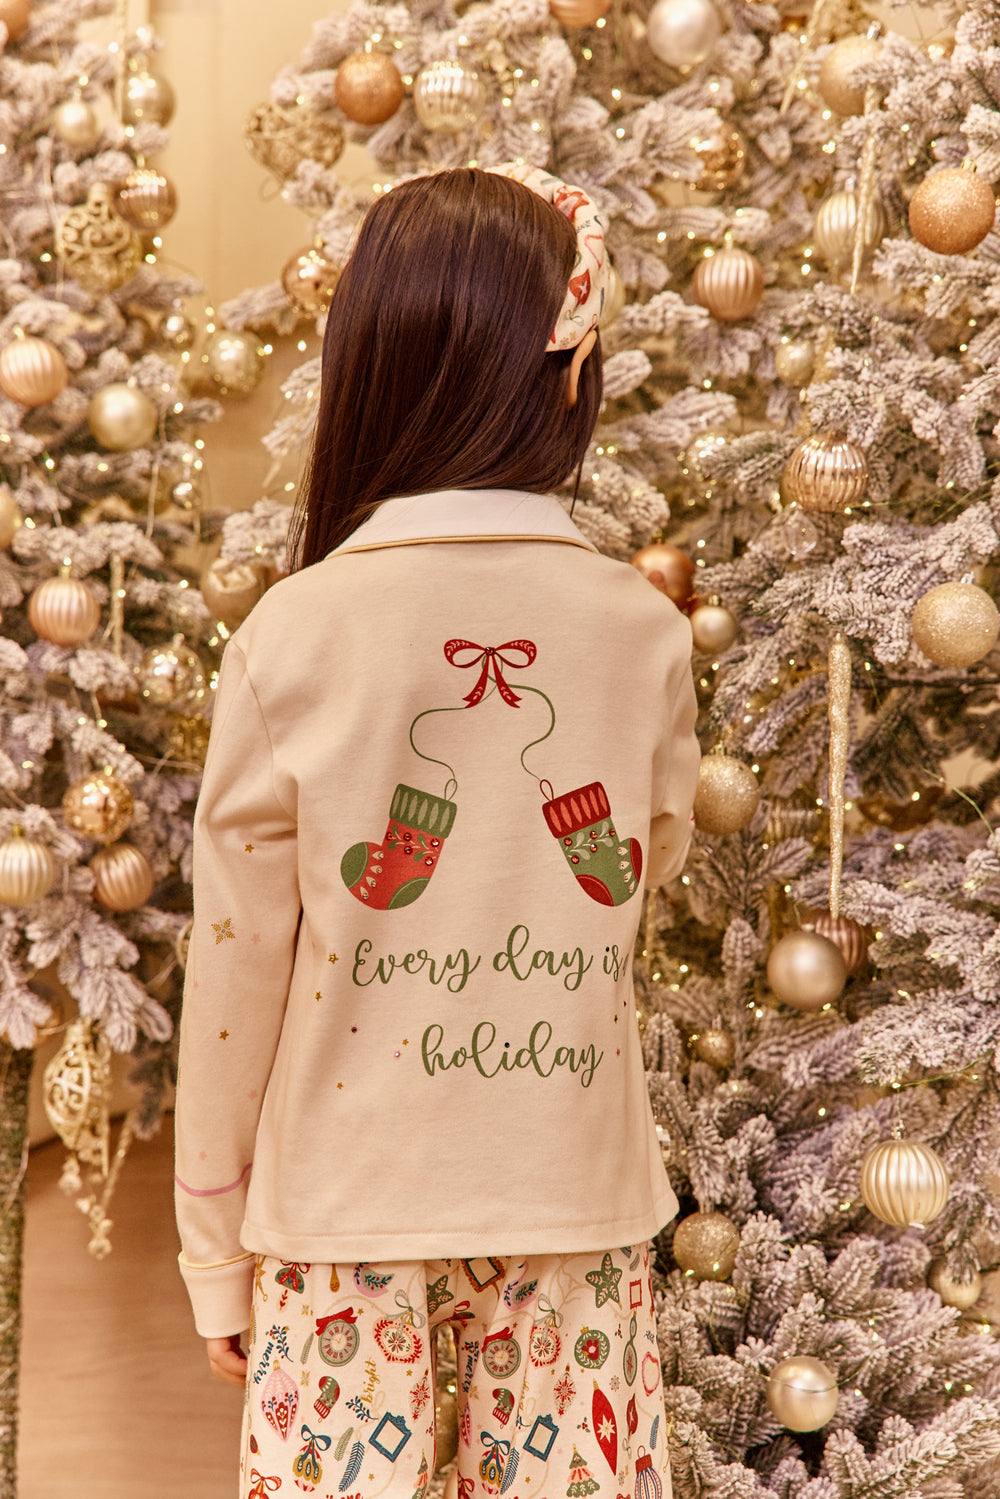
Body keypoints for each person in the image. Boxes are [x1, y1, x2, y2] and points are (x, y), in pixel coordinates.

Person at [175, 163, 700, 1499]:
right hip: (573, 1203)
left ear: (372, 368)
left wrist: (213, 1248)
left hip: (343, 1219)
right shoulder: (640, 631)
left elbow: (235, 971)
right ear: (568, 376)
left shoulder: (296, 632)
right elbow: (645, 877)